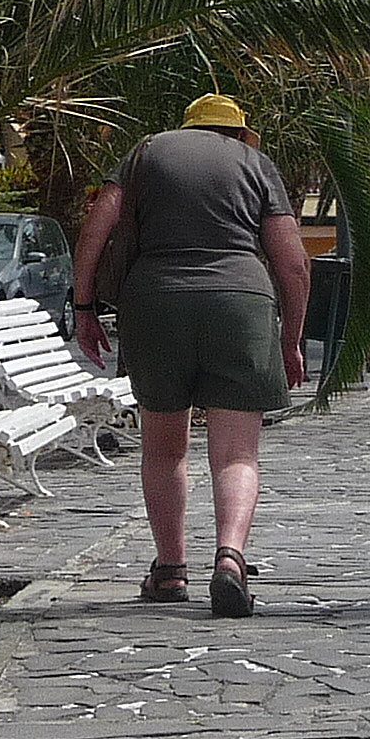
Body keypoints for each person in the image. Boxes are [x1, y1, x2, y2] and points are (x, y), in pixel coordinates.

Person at [72, 94, 310, 618]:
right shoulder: (255, 163)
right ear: (239, 132)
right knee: (237, 454)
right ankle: (230, 558)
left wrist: (83, 306)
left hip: (155, 301)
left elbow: (97, 227)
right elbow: (293, 263)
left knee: (163, 448)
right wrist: (291, 338)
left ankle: (170, 569)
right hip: (240, 303)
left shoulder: (145, 152)